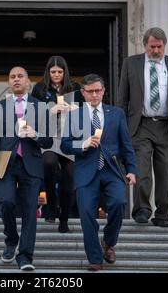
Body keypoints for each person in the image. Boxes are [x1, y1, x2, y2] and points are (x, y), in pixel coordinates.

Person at [118, 27, 168, 228]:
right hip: (140, 125)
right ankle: (142, 209)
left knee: (167, 174)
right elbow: (122, 97)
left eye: (159, 47)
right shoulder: (131, 64)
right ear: (145, 45)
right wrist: (120, 125)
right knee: (141, 170)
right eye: (152, 47)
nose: (156, 51)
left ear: (164, 46)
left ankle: (162, 213)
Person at [60, 74, 137, 271]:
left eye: (98, 91)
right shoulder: (74, 115)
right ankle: (95, 258)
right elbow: (65, 145)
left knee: (119, 203)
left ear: (103, 91)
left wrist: (132, 170)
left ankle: (109, 242)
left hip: (112, 169)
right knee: (86, 213)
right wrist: (83, 144)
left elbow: (126, 144)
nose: (94, 95)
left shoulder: (117, 113)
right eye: (90, 91)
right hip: (86, 170)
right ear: (83, 93)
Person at [0, 66, 53, 271]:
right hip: (5, 163)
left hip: (30, 164)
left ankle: (25, 256)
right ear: (8, 82)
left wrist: (35, 134)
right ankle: (11, 240)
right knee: (5, 202)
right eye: (12, 76)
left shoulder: (40, 107)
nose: (16, 80)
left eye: (20, 76)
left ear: (28, 81)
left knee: (30, 211)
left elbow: (48, 141)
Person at [31, 55, 84, 233]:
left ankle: (64, 217)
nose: (56, 75)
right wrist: (50, 110)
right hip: (49, 137)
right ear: (48, 72)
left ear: (65, 72)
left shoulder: (75, 88)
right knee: (49, 163)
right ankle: (51, 206)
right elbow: (33, 113)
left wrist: (76, 109)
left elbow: (87, 111)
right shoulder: (40, 88)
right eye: (53, 71)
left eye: (59, 72)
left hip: (69, 136)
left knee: (69, 178)